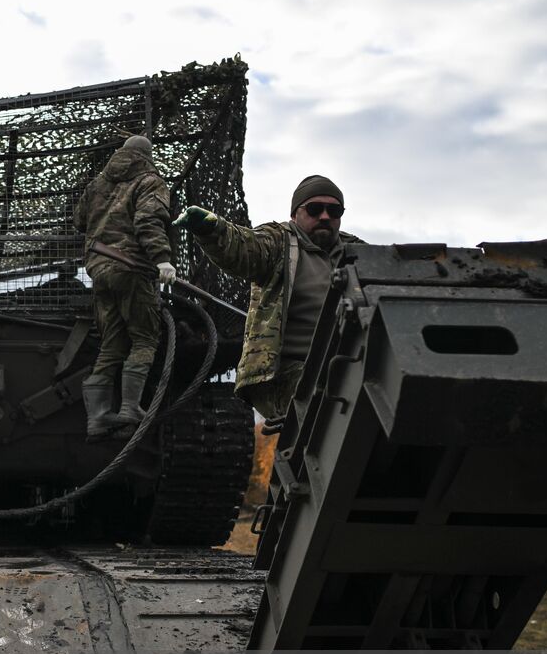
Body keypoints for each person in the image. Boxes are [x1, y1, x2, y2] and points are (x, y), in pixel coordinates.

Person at [176, 175, 361, 431]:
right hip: (287, 369)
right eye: (315, 209)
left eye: (334, 210)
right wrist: (212, 228)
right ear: (295, 214)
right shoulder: (279, 242)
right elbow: (244, 248)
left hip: (351, 363)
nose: (325, 216)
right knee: (332, 401)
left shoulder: (357, 253)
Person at [73, 134, 177, 440]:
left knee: (112, 345)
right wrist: (162, 260)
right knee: (145, 339)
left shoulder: (98, 183)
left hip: (99, 269)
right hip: (130, 269)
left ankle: (98, 418)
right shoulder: (149, 180)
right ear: (147, 156)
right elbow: (148, 220)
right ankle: (130, 408)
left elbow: (79, 220)